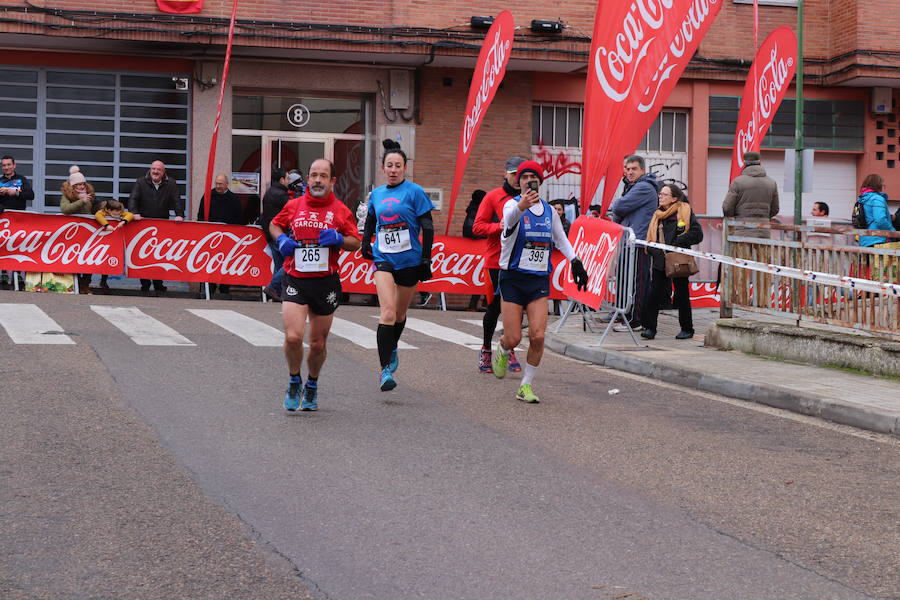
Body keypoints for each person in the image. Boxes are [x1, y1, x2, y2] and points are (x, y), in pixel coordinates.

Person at [491, 160, 589, 404]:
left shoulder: (549, 211)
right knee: (513, 338)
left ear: (540, 182)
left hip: (538, 280)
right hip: (513, 278)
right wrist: (523, 205)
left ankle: (525, 385)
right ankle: (502, 349)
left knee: (538, 336)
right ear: (518, 182)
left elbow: (561, 239)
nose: (527, 181)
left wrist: (575, 261)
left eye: (531, 178)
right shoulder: (511, 206)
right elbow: (510, 222)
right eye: (523, 178)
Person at [269, 158, 361, 411]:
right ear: (307, 179)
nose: (317, 180)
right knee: (293, 336)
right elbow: (274, 224)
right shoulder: (294, 205)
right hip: (295, 278)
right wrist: (280, 240)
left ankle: (312, 384)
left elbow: (356, 242)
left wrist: (340, 239)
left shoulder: (341, 211)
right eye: (313, 175)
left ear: (332, 181)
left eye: (323, 176)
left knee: (318, 343)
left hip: (325, 283)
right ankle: (294, 379)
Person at [361, 139, 435, 392]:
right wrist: (365, 243)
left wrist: (426, 259)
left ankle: (392, 347)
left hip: (410, 260)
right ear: (383, 168)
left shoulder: (415, 192)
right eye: (389, 165)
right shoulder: (377, 194)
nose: (393, 169)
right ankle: (384, 371)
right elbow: (371, 220)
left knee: (400, 314)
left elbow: (428, 226)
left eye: (398, 166)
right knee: (388, 312)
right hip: (384, 258)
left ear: (405, 168)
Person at [472, 156, 526, 374]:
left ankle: (509, 348)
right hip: (495, 261)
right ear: (506, 174)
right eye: (513, 174)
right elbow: (477, 227)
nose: (516, 179)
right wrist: (498, 226)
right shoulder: (493, 197)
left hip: (520, 262)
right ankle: (486, 349)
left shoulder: (528, 198)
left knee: (516, 309)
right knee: (494, 308)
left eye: (520, 175)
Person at [641, 184, 703, 340]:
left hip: (678, 259)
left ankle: (687, 329)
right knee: (654, 294)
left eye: (664, 194)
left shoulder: (684, 211)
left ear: (674, 198)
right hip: (660, 260)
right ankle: (650, 328)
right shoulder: (657, 214)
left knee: (681, 294)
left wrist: (677, 241)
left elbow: (697, 234)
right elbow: (650, 238)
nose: (660, 196)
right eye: (660, 194)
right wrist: (655, 251)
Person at [609, 154, 659, 332]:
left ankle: (635, 321)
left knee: (638, 283)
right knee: (626, 281)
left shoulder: (644, 187)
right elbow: (620, 209)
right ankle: (626, 315)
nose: (629, 172)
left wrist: (619, 209)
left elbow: (618, 207)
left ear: (643, 170)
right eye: (627, 169)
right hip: (630, 243)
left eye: (634, 169)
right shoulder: (633, 186)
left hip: (638, 243)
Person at [127, 160, 183, 295]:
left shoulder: (171, 183)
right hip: (143, 224)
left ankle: (159, 284)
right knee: (142, 256)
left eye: (158, 169)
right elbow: (133, 199)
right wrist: (134, 213)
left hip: (161, 224)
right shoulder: (141, 182)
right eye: (153, 169)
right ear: (150, 170)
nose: (155, 172)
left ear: (164, 172)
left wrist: (179, 215)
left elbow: (177, 201)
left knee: (159, 256)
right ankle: (145, 284)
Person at [197, 173, 245, 295]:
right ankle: (210, 288)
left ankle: (225, 288)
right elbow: (200, 215)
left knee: (226, 263)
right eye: (216, 183)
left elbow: (239, 219)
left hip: (228, 238)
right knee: (210, 262)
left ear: (226, 184)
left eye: (220, 184)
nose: (218, 186)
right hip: (211, 237)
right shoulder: (208, 196)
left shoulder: (234, 199)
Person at [60, 166, 98, 293]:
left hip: (88, 232)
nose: (82, 187)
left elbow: (96, 210)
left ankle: (85, 284)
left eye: (83, 184)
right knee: (73, 258)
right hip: (73, 232)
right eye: (78, 184)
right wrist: (81, 201)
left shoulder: (90, 195)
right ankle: (73, 283)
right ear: (72, 186)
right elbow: (65, 209)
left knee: (88, 258)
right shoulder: (67, 195)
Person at [722, 151, 779, 234]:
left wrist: (735, 218)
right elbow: (775, 209)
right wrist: (764, 217)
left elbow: (727, 208)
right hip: (763, 230)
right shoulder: (771, 183)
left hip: (742, 230)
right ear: (759, 162)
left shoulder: (737, 182)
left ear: (744, 163)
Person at [259, 168, 291, 301]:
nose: (289, 181)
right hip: (280, 234)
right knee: (289, 264)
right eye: (288, 178)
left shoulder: (269, 193)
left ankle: (276, 293)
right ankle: (273, 287)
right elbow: (292, 212)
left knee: (279, 265)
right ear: (282, 180)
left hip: (270, 234)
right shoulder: (281, 195)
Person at [855, 174, 896, 247]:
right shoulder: (877, 199)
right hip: (878, 240)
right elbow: (880, 220)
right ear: (878, 185)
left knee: (866, 258)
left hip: (864, 239)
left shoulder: (862, 199)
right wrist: (893, 232)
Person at [463, 189, 487, 311]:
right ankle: (479, 303)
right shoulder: (476, 211)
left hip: (474, 248)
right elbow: (470, 229)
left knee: (480, 276)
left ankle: (480, 303)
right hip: (480, 247)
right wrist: (484, 236)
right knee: (482, 276)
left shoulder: (472, 209)